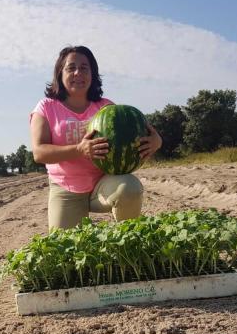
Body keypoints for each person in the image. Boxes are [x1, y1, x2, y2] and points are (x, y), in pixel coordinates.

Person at [29, 45, 162, 229]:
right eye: (71, 67)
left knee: (129, 188)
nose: (78, 73)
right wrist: (79, 149)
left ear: (93, 74)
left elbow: (141, 135)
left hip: (104, 182)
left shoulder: (107, 107)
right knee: (65, 250)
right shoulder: (46, 107)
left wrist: (156, 141)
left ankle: (127, 242)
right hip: (66, 187)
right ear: (60, 73)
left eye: (84, 68)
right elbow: (39, 152)